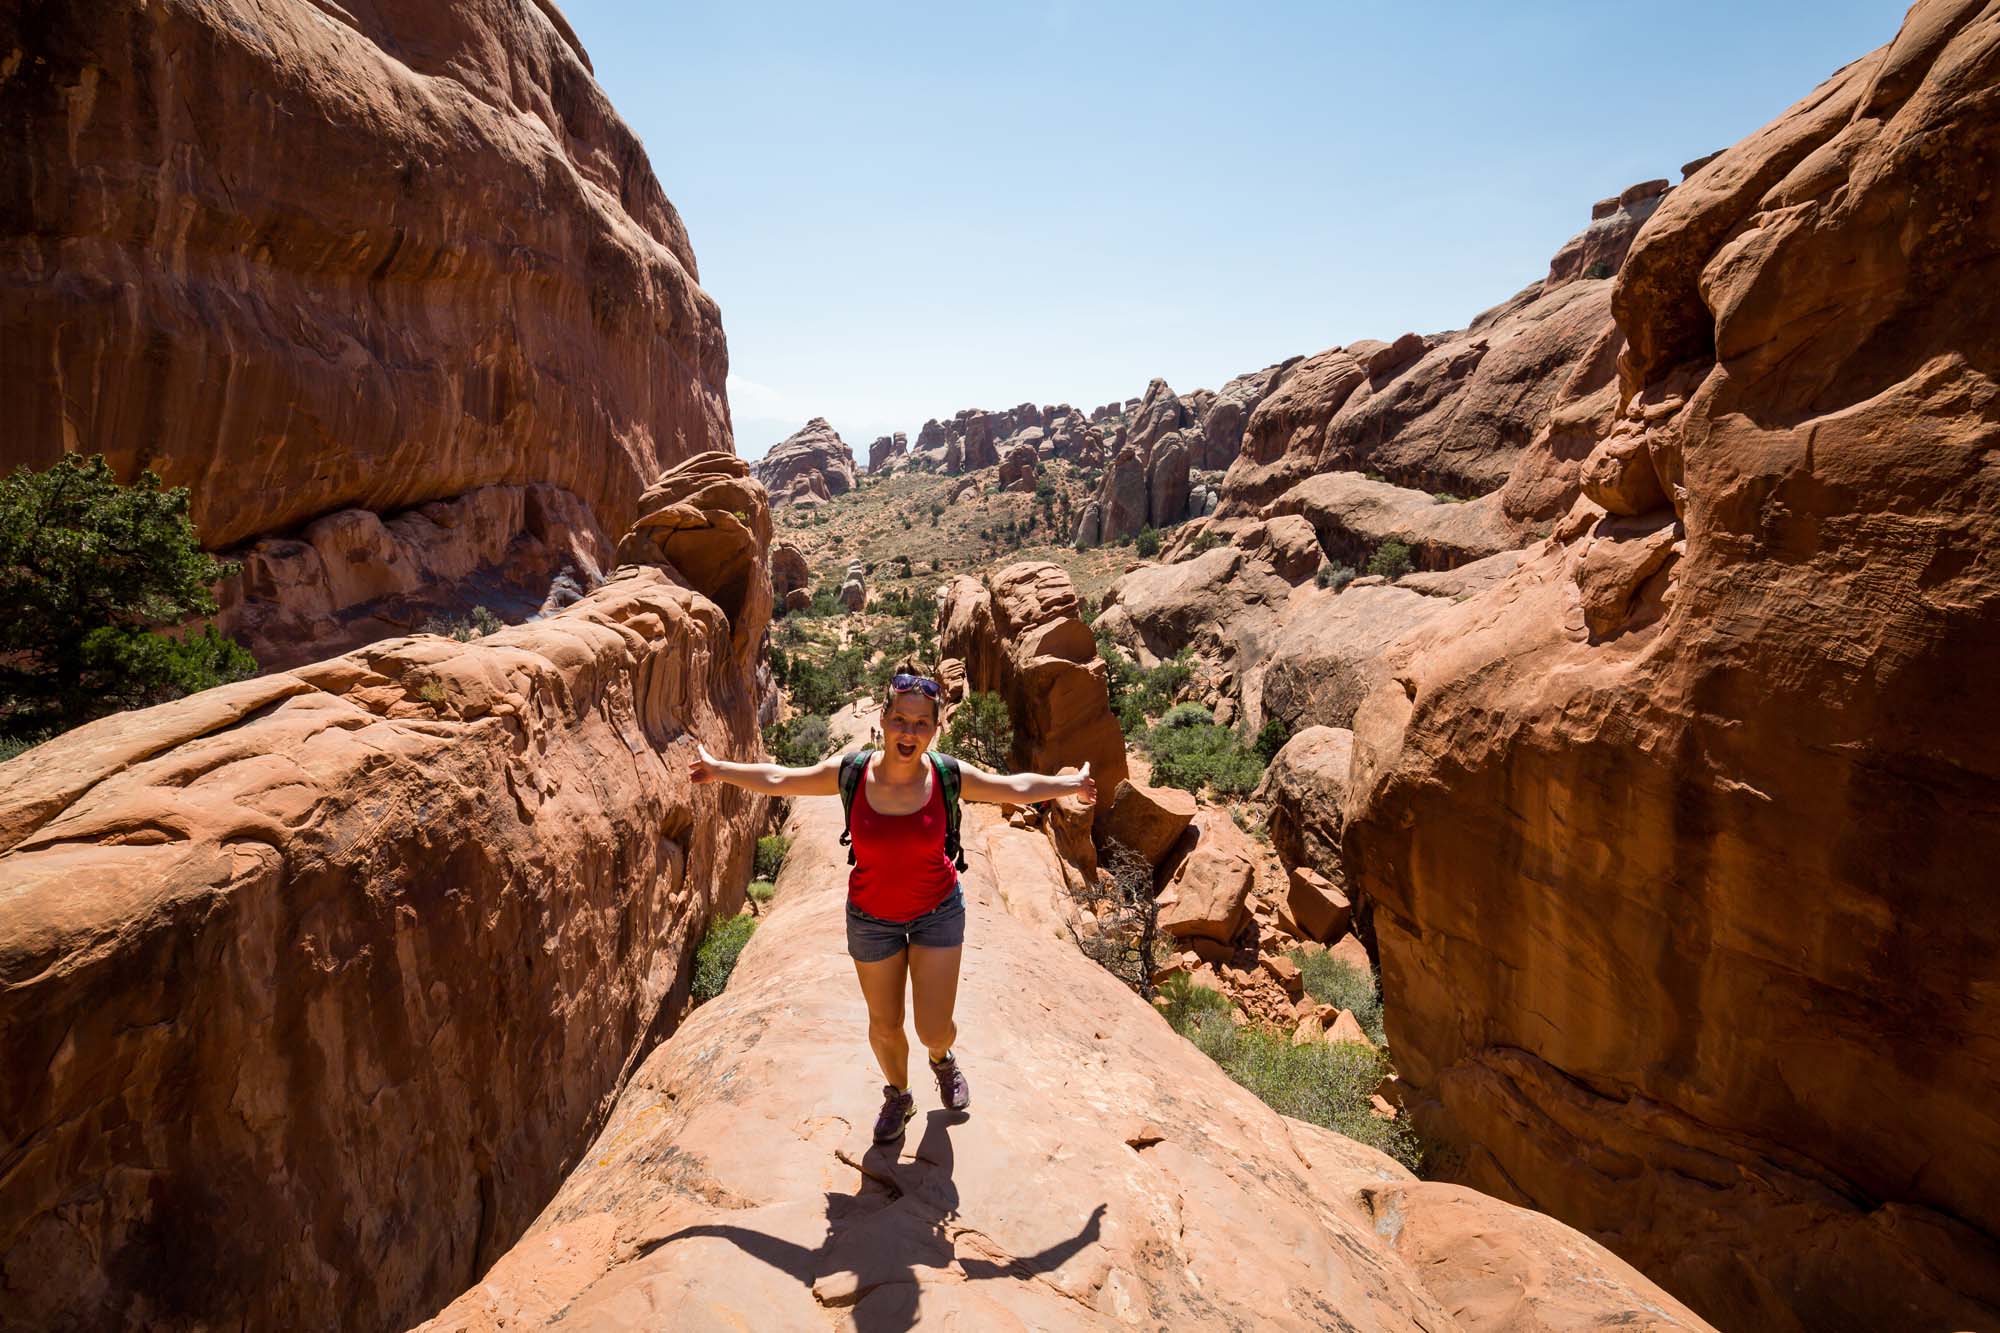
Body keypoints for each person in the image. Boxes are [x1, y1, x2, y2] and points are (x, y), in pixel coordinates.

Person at [689, 669, 1096, 1143]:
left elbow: (1012, 788)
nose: (909, 732)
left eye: (921, 723)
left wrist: (1070, 785)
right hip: (871, 919)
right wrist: (719, 770)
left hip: (937, 912)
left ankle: (942, 1060)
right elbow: (781, 778)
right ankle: (899, 1095)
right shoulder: (852, 772)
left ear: (935, 729)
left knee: (934, 1029)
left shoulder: (946, 775)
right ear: (882, 719)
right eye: (900, 719)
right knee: (885, 1026)